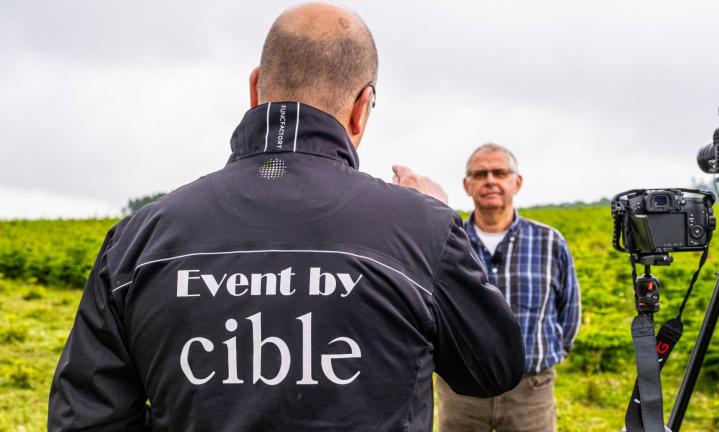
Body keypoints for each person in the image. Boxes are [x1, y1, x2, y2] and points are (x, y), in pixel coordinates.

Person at [48, 4, 524, 431]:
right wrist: (439, 220)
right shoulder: (423, 229)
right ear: (362, 109)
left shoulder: (139, 238)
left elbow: (87, 415)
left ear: (256, 89)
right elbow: (492, 370)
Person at [437, 143, 581, 432]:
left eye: (500, 172)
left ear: (517, 182)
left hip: (531, 391)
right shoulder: (445, 242)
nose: (490, 180)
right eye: (480, 174)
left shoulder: (550, 242)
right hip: (462, 392)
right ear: (467, 185)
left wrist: (540, 358)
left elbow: (569, 313)